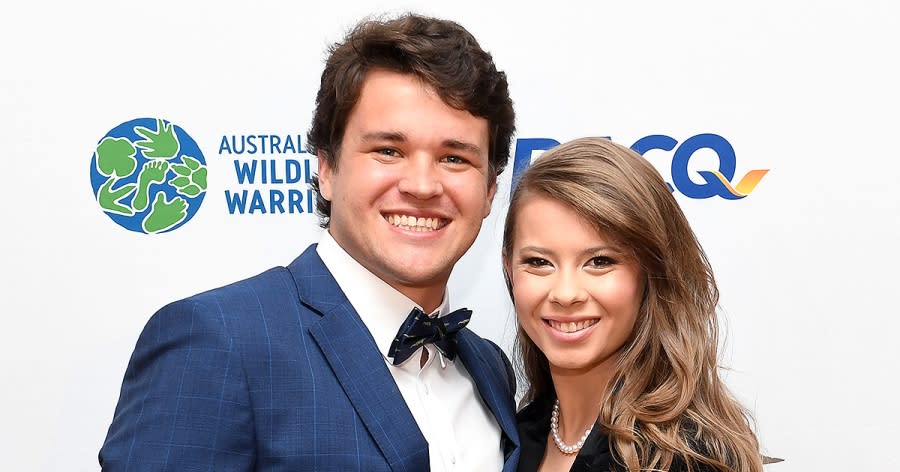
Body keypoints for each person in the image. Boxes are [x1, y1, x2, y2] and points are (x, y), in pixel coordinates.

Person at [99, 13, 519, 471]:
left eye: (454, 158)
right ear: (327, 169)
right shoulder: (218, 341)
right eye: (388, 151)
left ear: (490, 193)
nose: (421, 185)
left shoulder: (489, 368)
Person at [502, 137, 763, 472]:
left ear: (651, 271)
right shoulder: (516, 435)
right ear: (508, 266)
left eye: (599, 261)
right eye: (539, 262)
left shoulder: (683, 458)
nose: (566, 293)